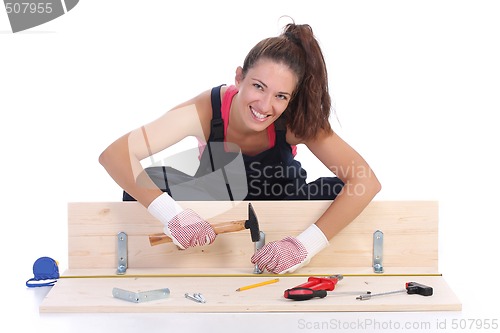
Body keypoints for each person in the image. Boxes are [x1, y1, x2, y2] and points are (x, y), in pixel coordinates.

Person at [99, 22, 381, 274]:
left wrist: (304, 247)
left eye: (280, 96)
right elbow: (115, 155)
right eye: (259, 86)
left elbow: (365, 180)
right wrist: (173, 215)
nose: (265, 105)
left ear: (290, 99)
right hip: (217, 200)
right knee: (147, 182)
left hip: (281, 199)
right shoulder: (205, 110)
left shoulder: (295, 120)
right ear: (238, 77)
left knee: (338, 192)